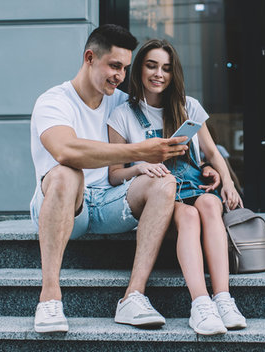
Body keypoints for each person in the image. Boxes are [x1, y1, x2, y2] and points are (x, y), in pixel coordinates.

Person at [29, 25, 191, 333]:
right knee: (66, 172)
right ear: (90, 57)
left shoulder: (121, 102)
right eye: (114, 66)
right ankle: (49, 298)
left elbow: (165, 106)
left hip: (108, 202)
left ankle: (133, 296)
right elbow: (65, 150)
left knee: (164, 184)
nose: (120, 75)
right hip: (66, 202)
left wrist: (208, 163)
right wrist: (140, 150)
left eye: (125, 68)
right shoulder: (54, 101)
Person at [107, 39, 247, 335]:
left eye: (166, 68)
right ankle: (200, 304)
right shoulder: (122, 114)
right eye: (152, 66)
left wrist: (229, 183)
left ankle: (223, 298)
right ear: (139, 69)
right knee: (189, 215)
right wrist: (140, 166)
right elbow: (114, 175)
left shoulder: (188, 106)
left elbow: (211, 151)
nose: (159, 74)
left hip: (195, 187)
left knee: (209, 205)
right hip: (160, 197)